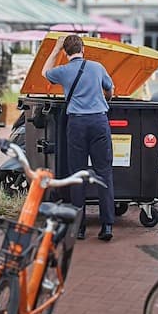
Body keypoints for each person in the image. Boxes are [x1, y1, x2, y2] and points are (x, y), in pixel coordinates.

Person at [43, 34, 116, 241]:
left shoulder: (64, 71)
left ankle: (80, 226)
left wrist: (55, 49)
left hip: (77, 124)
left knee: (78, 173)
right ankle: (107, 225)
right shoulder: (97, 67)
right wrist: (106, 98)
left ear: (66, 53)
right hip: (99, 123)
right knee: (103, 172)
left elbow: (44, 72)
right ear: (83, 49)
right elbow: (109, 89)